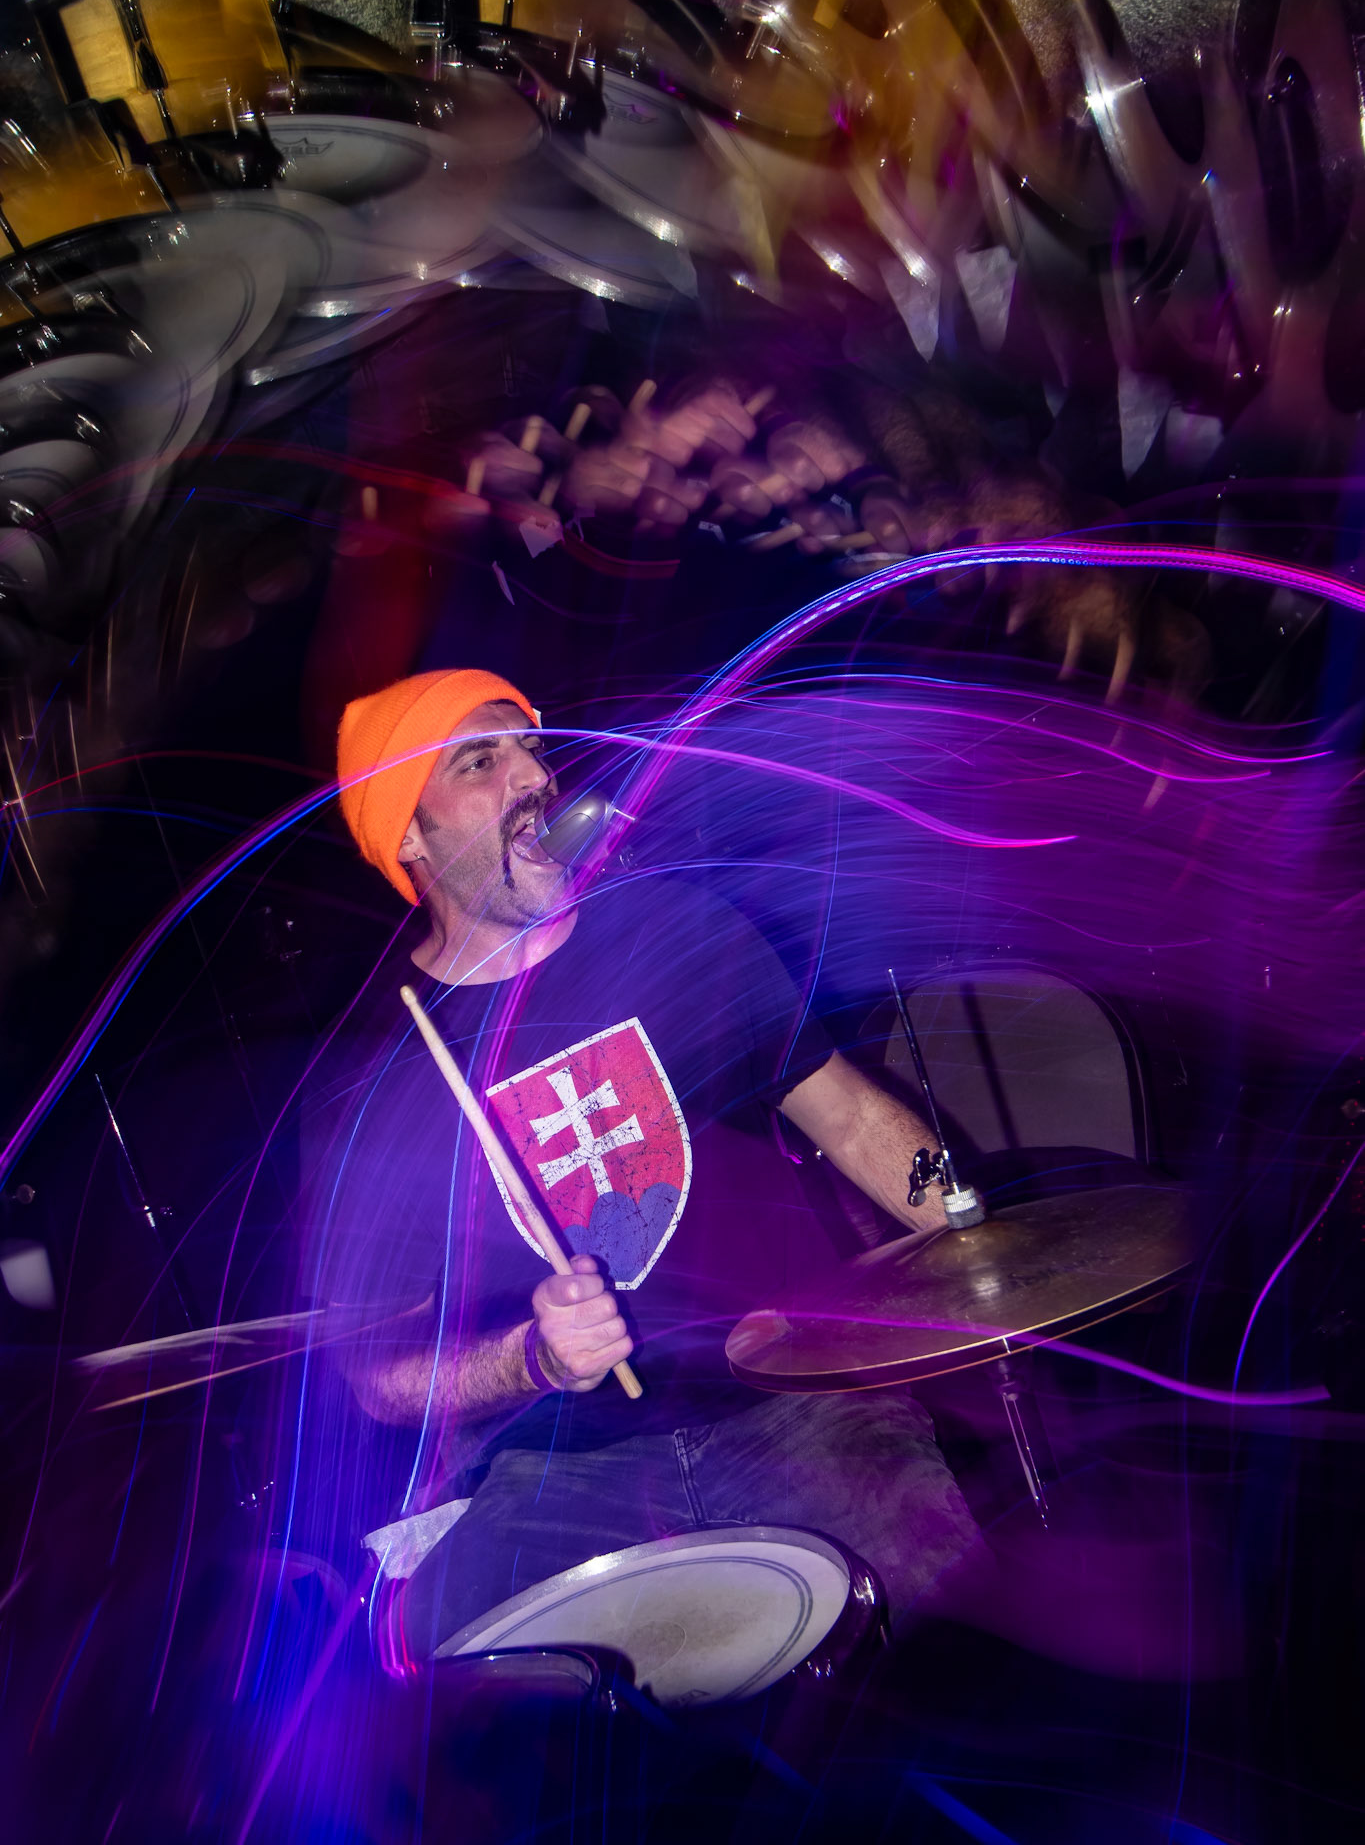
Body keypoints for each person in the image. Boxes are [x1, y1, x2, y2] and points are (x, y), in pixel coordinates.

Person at [301, 667, 977, 1664]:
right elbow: (376, 1377)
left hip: (794, 1397)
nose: (534, 776)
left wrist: (979, 1237)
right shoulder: (375, 1084)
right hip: (557, 1469)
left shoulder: (676, 931)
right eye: (479, 761)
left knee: (953, 1649)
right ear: (410, 834)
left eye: (530, 749)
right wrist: (532, 1358)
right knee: (462, 1697)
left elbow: (848, 1118)